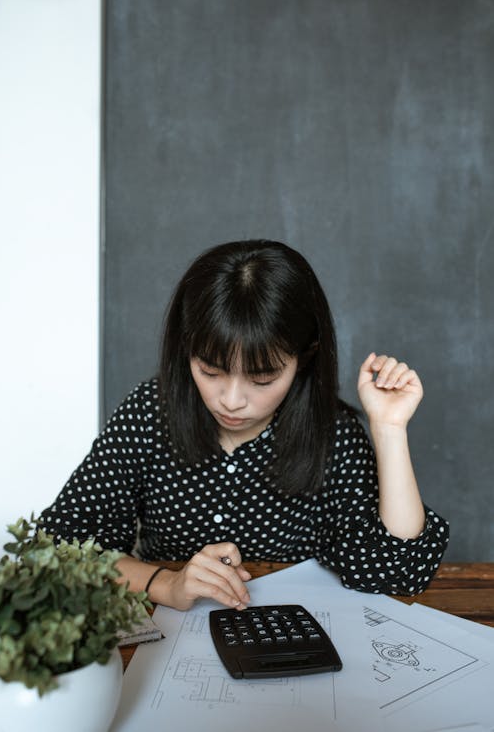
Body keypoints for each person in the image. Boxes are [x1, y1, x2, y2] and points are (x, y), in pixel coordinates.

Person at [39, 239, 449, 611]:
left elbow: (398, 571)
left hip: (290, 639)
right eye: (210, 371)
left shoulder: (333, 434)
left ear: (304, 357)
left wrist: (390, 429)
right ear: (187, 350)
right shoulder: (151, 411)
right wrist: (166, 585)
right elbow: (60, 548)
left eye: (262, 379)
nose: (231, 400)